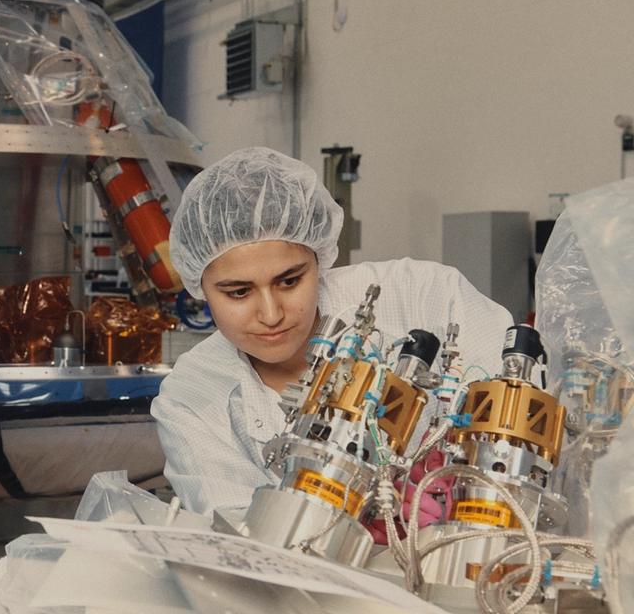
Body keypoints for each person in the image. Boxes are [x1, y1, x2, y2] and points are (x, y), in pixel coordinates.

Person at [152, 147, 512, 519]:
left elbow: (520, 410)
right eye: (238, 292)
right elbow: (245, 536)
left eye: (290, 281)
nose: (271, 314)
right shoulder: (192, 397)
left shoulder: (423, 296)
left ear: (319, 261)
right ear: (199, 286)